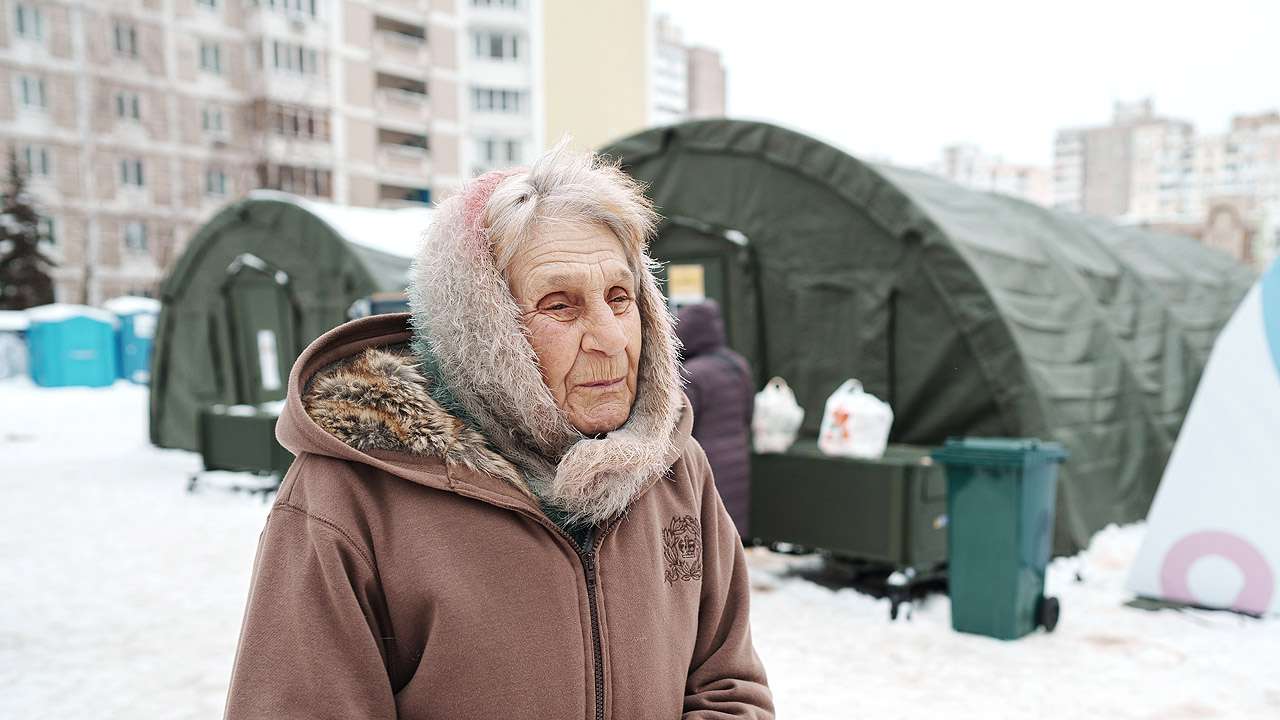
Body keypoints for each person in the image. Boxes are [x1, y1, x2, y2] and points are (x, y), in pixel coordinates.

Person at [224, 144, 774, 719]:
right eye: (560, 305)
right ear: (479, 334)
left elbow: (729, 686)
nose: (611, 337)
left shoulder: (675, 468)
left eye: (620, 297)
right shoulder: (349, 500)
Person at [676, 299, 756, 538]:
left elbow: (680, 426)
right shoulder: (738, 364)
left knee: (707, 532)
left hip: (706, 465)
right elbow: (748, 414)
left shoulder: (691, 373)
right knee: (730, 530)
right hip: (738, 459)